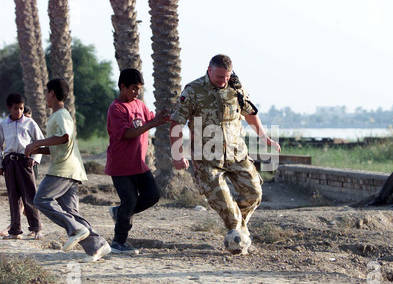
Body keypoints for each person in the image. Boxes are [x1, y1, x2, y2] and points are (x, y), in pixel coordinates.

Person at [170, 54, 281, 254]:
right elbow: (176, 122)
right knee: (227, 208)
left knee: (254, 193)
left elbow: (250, 114)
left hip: (237, 154)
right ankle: (237, 237)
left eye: (227, 77)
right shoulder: (193, 91)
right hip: (207, 158)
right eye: (220, 77)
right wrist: (178, 154)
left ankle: (239, 229)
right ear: (209, 70)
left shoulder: (236, 88)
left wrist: (264, 137)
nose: (223, 81)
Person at [25, 78, 110, 263]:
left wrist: (37, 142)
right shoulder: (57, 116)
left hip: (63, 168)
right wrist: (37, 149)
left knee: (41, 199)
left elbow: (64, 137)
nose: (46, 97)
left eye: (47, 93)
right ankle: (98, 245)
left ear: (52, 93)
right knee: (71, 211)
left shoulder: (61, 114)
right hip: (70, 168)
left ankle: (74, 229)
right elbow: (58, 144)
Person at [105, 68, 170, 255]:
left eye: (140, 88)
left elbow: (153, 119)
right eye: (134, 88)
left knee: (153, 195)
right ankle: (118, 242)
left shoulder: (139, 105)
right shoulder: (116, 108)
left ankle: (119, 212)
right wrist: (151, 124)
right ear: (122, 86)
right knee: (130, 200)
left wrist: (165, 117)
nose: (137, 92)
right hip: (121, 166)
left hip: (139, 164)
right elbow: (127, 134)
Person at [0, 93, 44, 240]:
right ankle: (15, 231)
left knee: (30, 195)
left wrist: (34, 158)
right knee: (13, 197)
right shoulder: (3, 124)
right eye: (15, 109)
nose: (18, 112)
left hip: (25, 162)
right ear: (8, 108)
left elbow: (40, 142)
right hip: (9, 163)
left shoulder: (30, 123)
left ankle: (37, 228)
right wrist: (1, 164)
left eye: (21, 108)